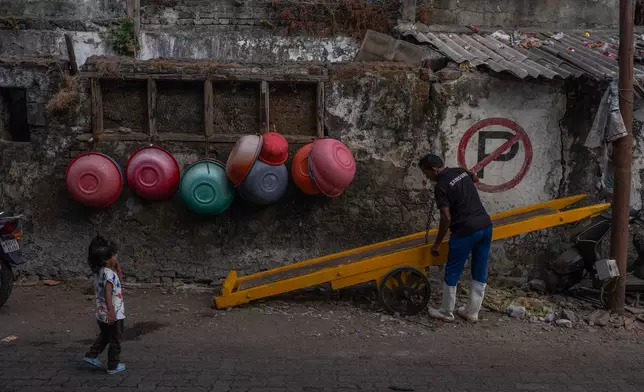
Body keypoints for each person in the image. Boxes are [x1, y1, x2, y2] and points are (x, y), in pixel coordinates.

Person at [419, 154, 493, 322]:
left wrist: (437, 244)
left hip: (465, 230)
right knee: (480, 269)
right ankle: (472, 312)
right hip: (485, 225)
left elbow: (446, 218)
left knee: (453, 269)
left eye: (426, 173)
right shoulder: (460, 171)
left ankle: (446, 311)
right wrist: (464, 191)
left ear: (434, 170)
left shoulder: (441, 187)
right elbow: (476, 178)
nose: (427, 177)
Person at [83, 235, 126, 374]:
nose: (116, 256)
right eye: (114, 255)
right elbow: (108, 293)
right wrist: (112, 311)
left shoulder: (99, 272)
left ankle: (92, 355)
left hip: (101, 313)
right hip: (114, 314)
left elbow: (116, 284)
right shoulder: (109, 274)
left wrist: (118, 269)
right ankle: (113, 365)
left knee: (105, 335)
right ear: (107, 259)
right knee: (115, 339)